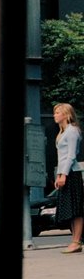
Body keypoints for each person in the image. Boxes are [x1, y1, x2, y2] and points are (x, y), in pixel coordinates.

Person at [53, 103, 83, 253]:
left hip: (71, 173)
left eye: (58, 112)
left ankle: (77, 241)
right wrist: (59, 175)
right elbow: (62, 157)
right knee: (71, 209)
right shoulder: (63, 132)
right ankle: (74, 241)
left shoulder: (72, 131)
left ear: (66, 114)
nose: (55, 115)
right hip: (65, 173)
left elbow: (71, 155)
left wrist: (63, 174)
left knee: (76, 209)